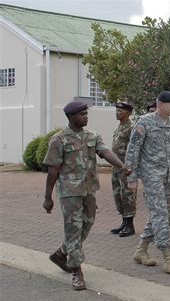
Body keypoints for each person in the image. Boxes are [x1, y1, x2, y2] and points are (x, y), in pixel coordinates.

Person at [43, 101, 130, 290]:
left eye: (86, 113)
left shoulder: (92, 136)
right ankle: (76, 271)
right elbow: (53, 170)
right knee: (73, 231)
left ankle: (61, 253)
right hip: (69, 192)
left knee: (87, 225)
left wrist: (121, 165)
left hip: (89, 190)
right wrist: (48, 197)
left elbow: (106, 152)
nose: (86, 116)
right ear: (70, 117)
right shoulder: (59, 140)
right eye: (82, 114)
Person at [125, 91, 170, 274]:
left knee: (158, 213)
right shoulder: (144, 122)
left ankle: (141, 251)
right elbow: (133, 150)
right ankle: (168, 256)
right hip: (151, 176)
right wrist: (131, 179)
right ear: (160, 104)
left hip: (169, 177)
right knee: (161, 213)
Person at [110, 102, 137, 237]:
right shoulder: (119, 127)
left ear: (128, 113)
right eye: (116, 110)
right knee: (118, 194)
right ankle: (124, 222)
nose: (117, 113)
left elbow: (135, 148)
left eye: (120, 111)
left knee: (127, 195)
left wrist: (131, 166)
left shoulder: (131, 128)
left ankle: (130, 225)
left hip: (127, 167)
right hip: (116, 167)